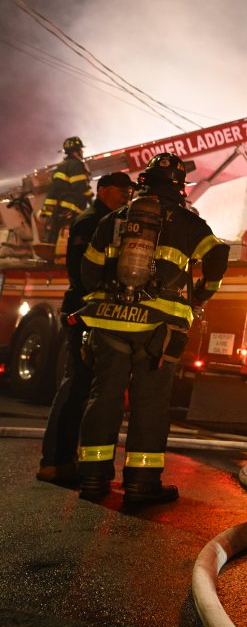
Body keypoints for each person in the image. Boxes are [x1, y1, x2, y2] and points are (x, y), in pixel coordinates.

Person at [76, 153, 228, 506]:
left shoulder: (115, 219)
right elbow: (218, 258)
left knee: (104, 397)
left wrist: (104, 299)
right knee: (151, 402)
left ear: (143, 182)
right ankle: (141, 484)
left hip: (109, 322)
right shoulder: (190, 224)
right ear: (180, 187)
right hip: (159, 329)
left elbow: (90, 268)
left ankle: (93, 480)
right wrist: (201, 296)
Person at [37, 172, 135, 486]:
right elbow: (82, 273)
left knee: (88, 389)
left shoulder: (113, 221)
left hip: (98, 315)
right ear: (103, 190)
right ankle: (53, 462)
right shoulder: (90, 221)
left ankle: (68, 460)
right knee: (75, 385)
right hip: (83, 312)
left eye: (130, 191)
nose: (127, 196)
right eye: (122, 190)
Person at [39, 136, 92, 247]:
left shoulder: (62, 165)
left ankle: (54, 251)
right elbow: (79, 186)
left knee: (57, 230)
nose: (82, 151)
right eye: (80, 149)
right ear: (76, 151)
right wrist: (92, 198)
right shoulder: (76, 164)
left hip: (58, 205)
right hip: (70, 204)